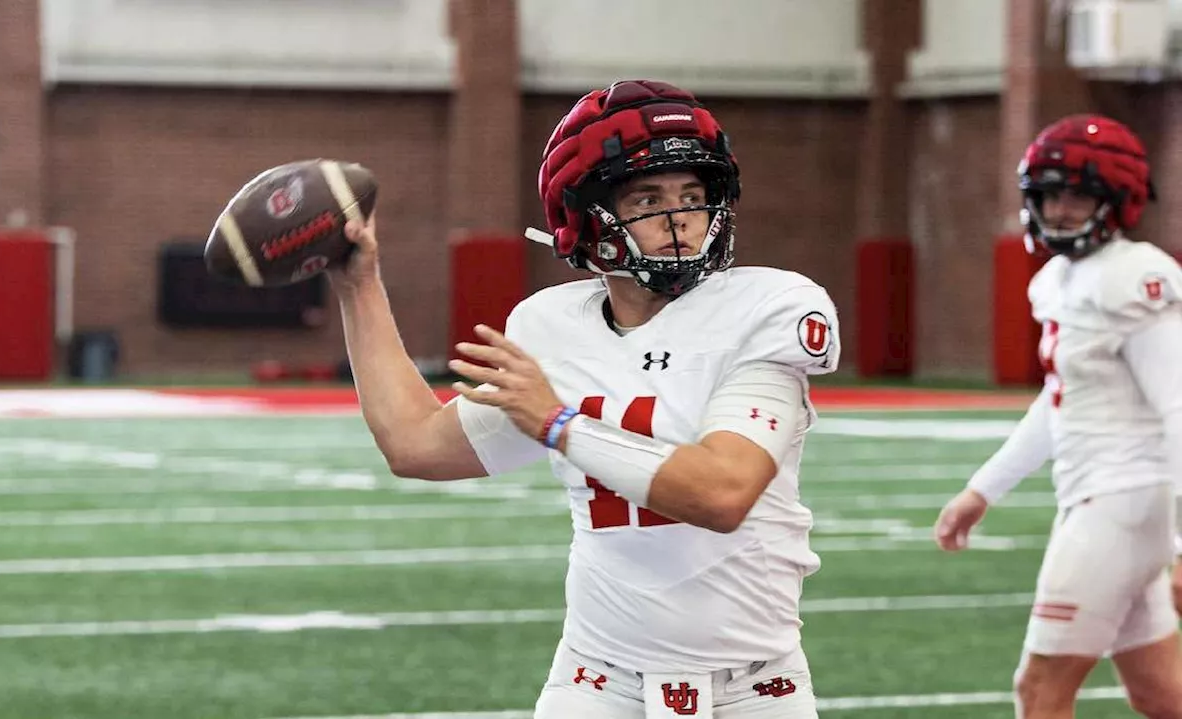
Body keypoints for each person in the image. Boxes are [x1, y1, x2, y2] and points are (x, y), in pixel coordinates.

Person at [331, 79, 839, 718]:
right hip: (597, 683)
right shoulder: (553, 327)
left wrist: (556, 421)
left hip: (754, 690)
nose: (679, 216)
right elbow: (415, 445)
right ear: (586, 215)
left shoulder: (769, 307)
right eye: (647, 197)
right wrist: (360, 285)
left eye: (693, 194)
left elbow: (723, 492)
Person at [933, 114, 1182, 719]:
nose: (1061, 210)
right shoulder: (1059, 280)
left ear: (1116, 199)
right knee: (1162, 694)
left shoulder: (1134, 277)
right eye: (1050, 194)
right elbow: (1061, 397)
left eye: (1078, 194)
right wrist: (982, 490)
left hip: (1121, 505)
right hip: (1105, 503)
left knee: (1040, 690)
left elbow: (1181, 410)